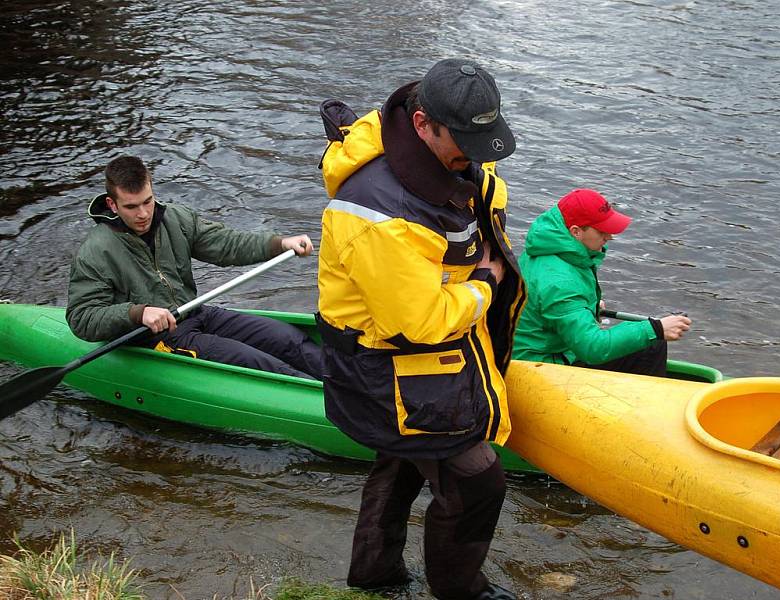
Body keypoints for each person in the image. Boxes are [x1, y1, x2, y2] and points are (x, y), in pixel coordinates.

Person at [315, 59, 526, 600]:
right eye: (466, 142)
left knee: (400, 463)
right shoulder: (373, 211)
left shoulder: (451, 155)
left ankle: (374, 577)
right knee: (479, 480)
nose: (477, 156)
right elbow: (419, 323)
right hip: (388, 364)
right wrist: (485, 283)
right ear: (422, 123)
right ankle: (461, 592)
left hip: (430, 358)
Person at [66, 155, 322, 380]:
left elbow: (226, 244)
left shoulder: (176, 219)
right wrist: (137, 313)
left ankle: (354, 387)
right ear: (112, 205)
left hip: (195, 313)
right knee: (259, 363)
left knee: (287, 338)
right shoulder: (96, 251)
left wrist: (279, 244)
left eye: (148, 201)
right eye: (131, 207)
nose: (143, 214)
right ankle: (329, 403)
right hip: (157, 338)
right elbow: (81, 317)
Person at [512, 188, 692, 376]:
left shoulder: (546, 249)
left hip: (543, 348)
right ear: (576, 232)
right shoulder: (560, 282)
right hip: (537, 367)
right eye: (602, 231)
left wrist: (586, 307)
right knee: (654, 343)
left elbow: (548, 304)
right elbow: (592, 348)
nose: (609, 237)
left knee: (648, 342)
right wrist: (657, 328)